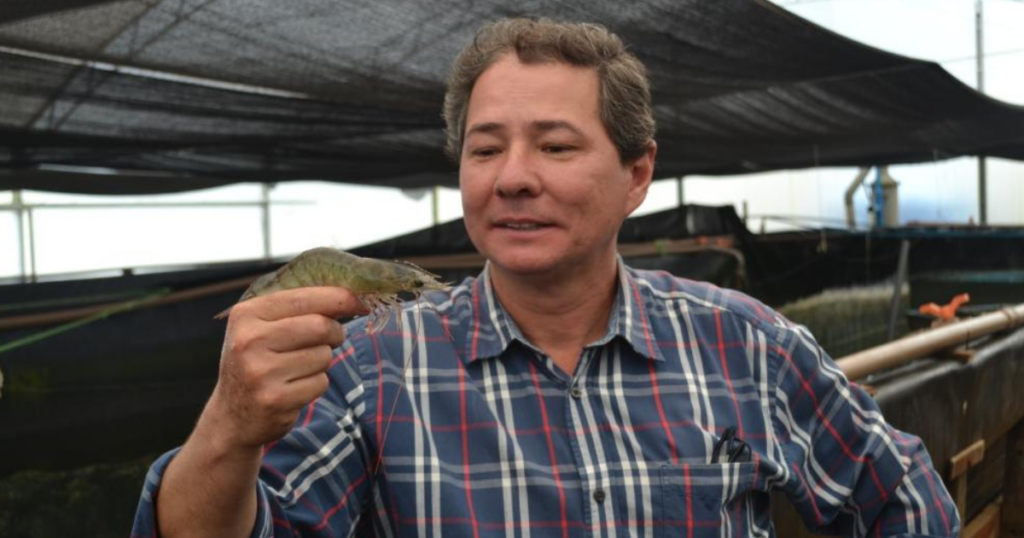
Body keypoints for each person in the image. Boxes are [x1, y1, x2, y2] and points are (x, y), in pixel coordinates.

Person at [133, 18, 959, 538]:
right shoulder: (367, 366)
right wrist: (229, 428)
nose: (513, 178)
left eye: (556, 146)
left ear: (637, 174)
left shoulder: (747, 343)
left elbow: (904, 497)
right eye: (485, 148)